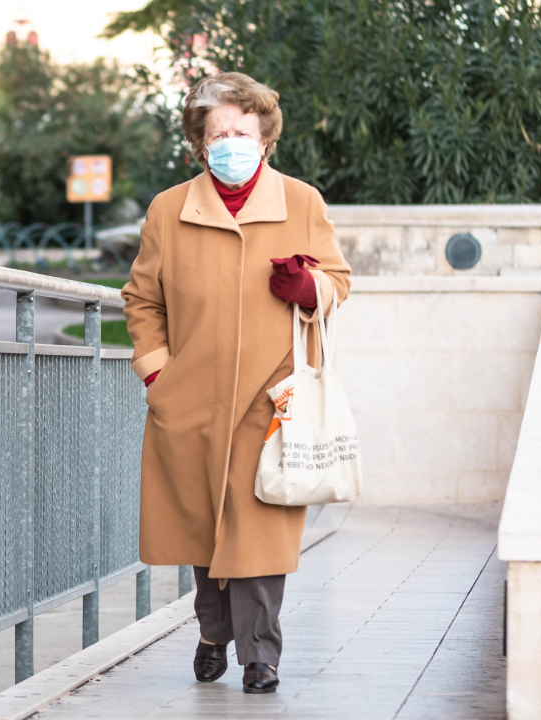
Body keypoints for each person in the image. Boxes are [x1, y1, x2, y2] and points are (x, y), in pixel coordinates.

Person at [121, 72, 352, 694]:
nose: (230, 141)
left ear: (265, 138)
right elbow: (141, 300)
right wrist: (158, 373)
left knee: (258, 533)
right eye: (218, 132)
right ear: (200, 144)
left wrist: (306, 288)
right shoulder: (169, 210)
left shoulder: (301, 202)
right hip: (190, 398)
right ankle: (211, 631)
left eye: (242, 131)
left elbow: (338, 282)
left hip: (271, 399)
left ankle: (259, 655)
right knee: (205, 530)